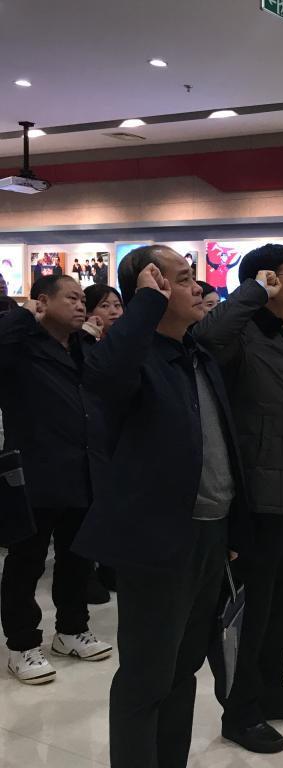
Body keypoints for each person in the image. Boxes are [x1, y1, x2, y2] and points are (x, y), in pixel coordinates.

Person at [73, 246, 252, 768]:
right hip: (157, 542)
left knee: (183, 668)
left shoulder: (195, 354)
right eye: (183, 278)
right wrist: (145, 303)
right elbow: (104, 377)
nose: (197, 287)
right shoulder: (133, 358)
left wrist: (233, 530)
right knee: (147, 675)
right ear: (152, 289)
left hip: (210, 534)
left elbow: (221, 446)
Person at [193, 243, 283, 754]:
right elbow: (205, 337)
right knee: (252, 613)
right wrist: (251, 292)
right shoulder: (242, 336)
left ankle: (273, 689)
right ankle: (241, 711)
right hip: (262, 498)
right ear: (267, 281)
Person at [0, 275, 112, 685]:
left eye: (83, 299)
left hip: (82, 469)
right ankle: (22, 645)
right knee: (26, 562)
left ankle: (71, 630)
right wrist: (24, 316)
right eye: (72, 298)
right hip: (35, 472)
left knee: (76, 558)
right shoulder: (20, 347)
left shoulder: (83, 347)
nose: (82, 305)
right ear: (43, 302)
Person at [79, 284, 126, 605]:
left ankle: (110, 565)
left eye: (117, 305)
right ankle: (87, 573)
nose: (114, 312)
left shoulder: (126, 342)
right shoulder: (81, 344)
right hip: (92, 435)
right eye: (105, 305)